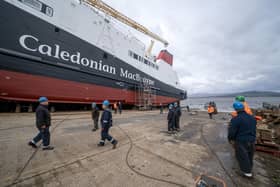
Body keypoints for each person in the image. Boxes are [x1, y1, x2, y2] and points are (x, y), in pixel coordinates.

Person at [228, 102, 256, 178]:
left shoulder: (236, 119)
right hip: (252, 140)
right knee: (250, 155)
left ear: (235, 109)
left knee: (242, 156)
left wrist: (230, 139)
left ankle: (247, 173)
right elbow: (253, 129)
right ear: (243, 108)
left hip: (241, 140)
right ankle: (249, 169)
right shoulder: (252, 118)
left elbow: (232, 132)